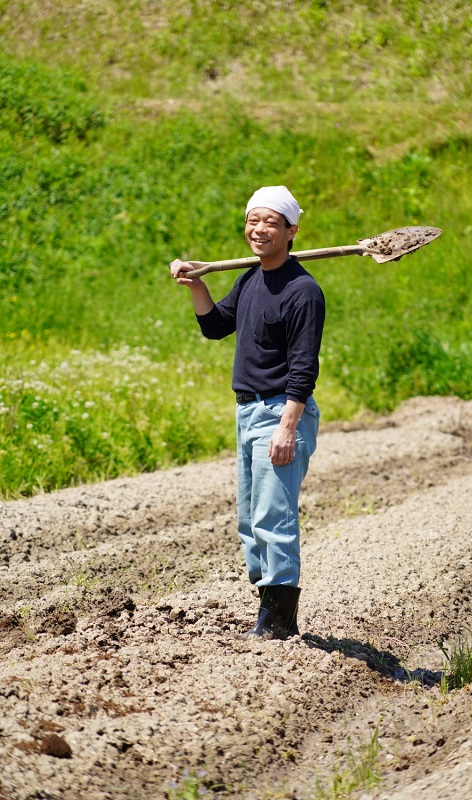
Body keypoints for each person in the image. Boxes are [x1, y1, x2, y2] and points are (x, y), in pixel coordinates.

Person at [169, 186, 325, 640]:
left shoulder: (304, 292)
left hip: (281, 412)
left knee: (273, 517)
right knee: (249, 519)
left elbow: (304, 368)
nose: (259, 230)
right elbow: (215, 327)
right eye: (253, 221)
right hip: (247, 412)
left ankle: (277, 624)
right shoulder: (250, 280)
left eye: (270, 223)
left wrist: (287, 427)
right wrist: (197, 284)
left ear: (291, 231)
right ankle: (268, 608)